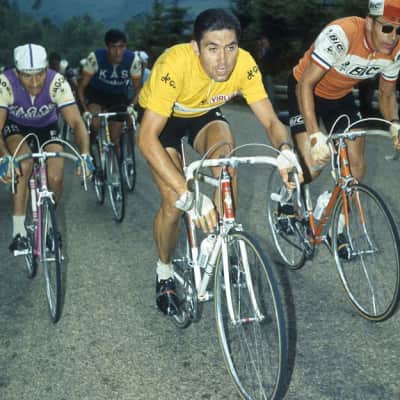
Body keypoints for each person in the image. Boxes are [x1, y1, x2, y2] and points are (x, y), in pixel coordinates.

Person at [137, 8, 302, 316]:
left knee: (227, 162)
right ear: (196, 47)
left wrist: (285, 150)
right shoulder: (174, 65)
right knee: (174, 203)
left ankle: (221, 242)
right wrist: (190, 196)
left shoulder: (244, 64)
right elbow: (146, 139)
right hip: (162, 121)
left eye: (230, 47)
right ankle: (164, 270)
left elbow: (271, 121)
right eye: (212, 49)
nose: (223, 60)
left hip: (203, 114)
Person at [288, 0, 400, 185]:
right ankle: (287, 192)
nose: (393, 37)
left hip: (339, 95)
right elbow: (305, 84)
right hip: (305, 89)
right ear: (369, 22)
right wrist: (315, 135)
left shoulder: (396, 51)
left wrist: (394, 123)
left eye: (399, 30)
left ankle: (333, 203)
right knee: (312, 168)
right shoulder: (341, 34)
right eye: (387, 28)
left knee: (356, 169)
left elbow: (386, 94)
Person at [0, 43, 94, 253]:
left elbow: (76, 122)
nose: (35, 83)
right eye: (27, 76)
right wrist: (4, 157)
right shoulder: (5, 82)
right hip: (15, 128)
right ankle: (18, 231)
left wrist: (85, 154)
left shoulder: (57, 81)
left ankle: (50, 223)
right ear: (17, 72)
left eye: (40, 74)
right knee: (23, 163)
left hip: (47, 127)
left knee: (56, 175)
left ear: (46, 70)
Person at [77, 29, 142, 150]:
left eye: (121, 47)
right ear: (106, 47)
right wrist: (85, 110)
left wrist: (132, 106)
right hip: (96, 93)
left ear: (125, 46)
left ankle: (115, 158)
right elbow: (81, 87)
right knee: (94, 124)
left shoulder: (133, 60)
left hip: (118, 95)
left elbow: (139, 89)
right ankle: (89, 146)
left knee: (114, 137)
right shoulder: (95, 58)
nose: (118, 52)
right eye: (113, 47)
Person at [256, 35, 277, 108]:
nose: (263, 42)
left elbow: (272, 62)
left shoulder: (270, 51)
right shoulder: (260, 50)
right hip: (261, 73)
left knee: (270, 90)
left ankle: (272, 106)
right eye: (262, 41)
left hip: (268, 73)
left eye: (265, 41)